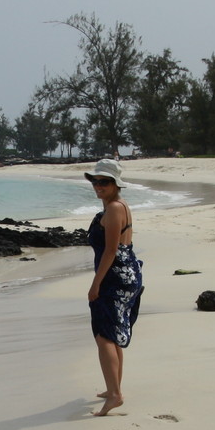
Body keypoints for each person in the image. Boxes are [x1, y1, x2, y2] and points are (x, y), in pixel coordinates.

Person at [84, 158, 143, 416]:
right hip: (124, 274)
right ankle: (113, 389)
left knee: (104, 336)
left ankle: (115, 394)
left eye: (104, 182)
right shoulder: (117, 206)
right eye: (95, 181)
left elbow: (110, 251)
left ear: (115, 184)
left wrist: (95, 284)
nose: (98, 186)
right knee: (114, 332)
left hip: (115, 277)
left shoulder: (115, 209)